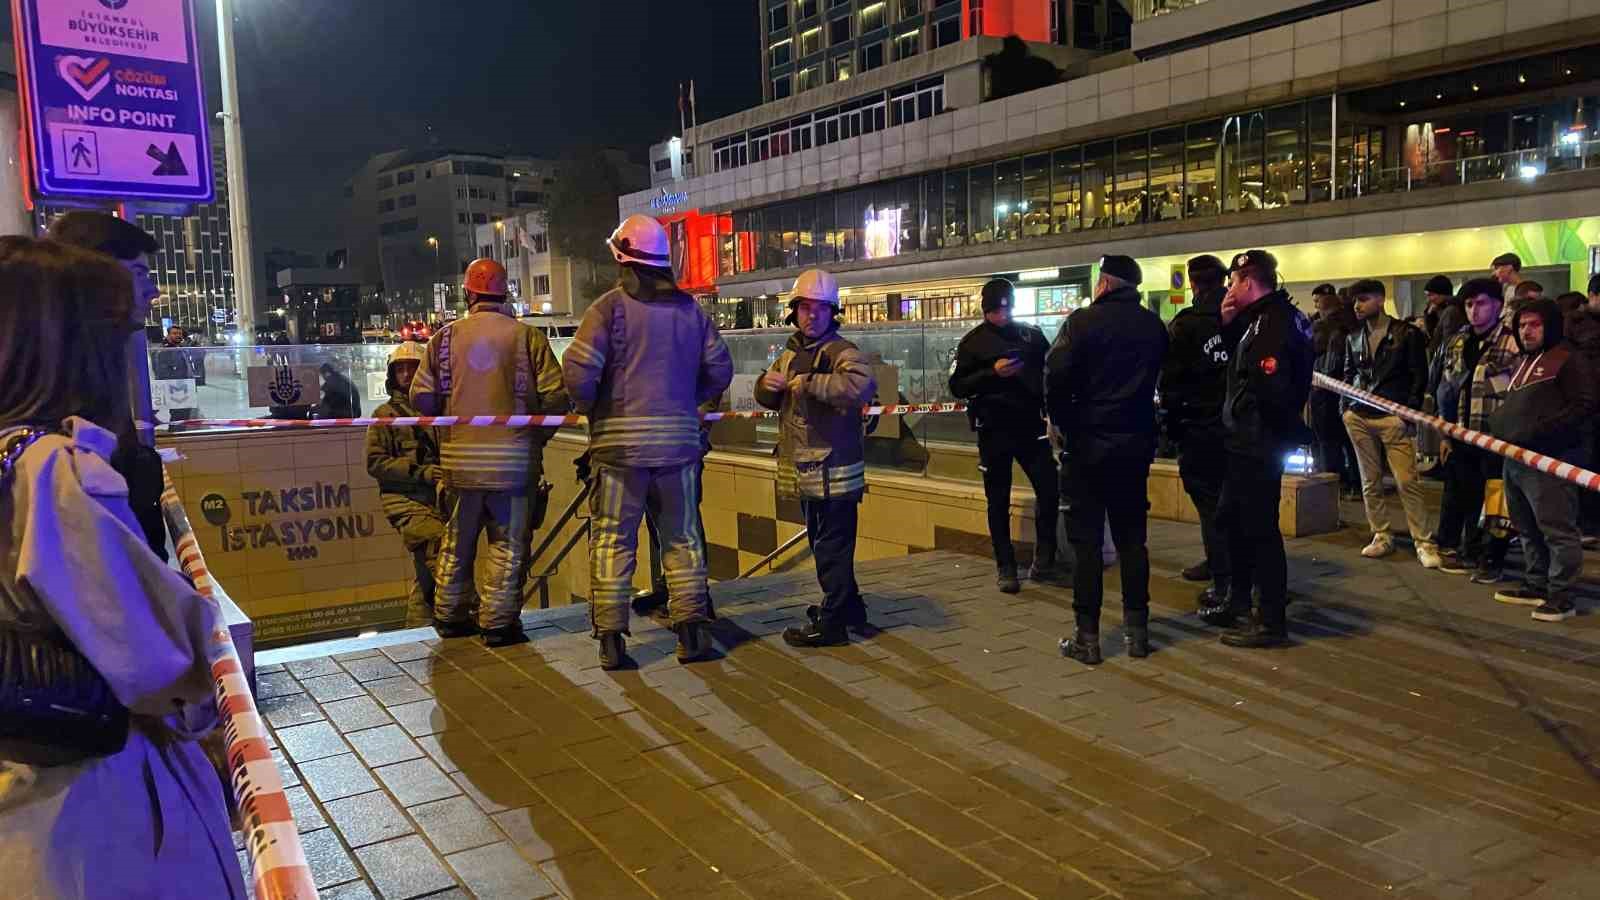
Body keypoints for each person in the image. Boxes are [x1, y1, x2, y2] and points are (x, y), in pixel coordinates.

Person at [0, 236, 244, 898]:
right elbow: (158, 659)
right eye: (118, 332)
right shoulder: (50, 468)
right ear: (72, 346)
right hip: (89, 812)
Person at [564, 215, 732, 669]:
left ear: (623, 259)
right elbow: (720, 370)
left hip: (620, 452)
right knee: (682, 537)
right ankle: (692, 632)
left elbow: (578, 374)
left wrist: (591, 407)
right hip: (679, 448)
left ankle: (613, 640)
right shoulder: (691, 312)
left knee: (613, 541)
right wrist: (686, 402)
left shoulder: (606, 309)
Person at [412, 257, 567, 647]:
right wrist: (534, 440)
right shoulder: (527, 337)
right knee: (508, 544)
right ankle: (497, 625)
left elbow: (422, 397)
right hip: (513, 466)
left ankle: (450, 617)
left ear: (468, 292)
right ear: (504, 292)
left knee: (457, 541)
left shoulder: (442, 339)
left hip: (459, 466)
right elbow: (555, 397)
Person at [1047, 255, 1168, 665]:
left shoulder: (1081, 323)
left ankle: (1088, 637)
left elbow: (1056, 377)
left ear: (1106, 282)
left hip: (1088, 447)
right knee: (1133, 540)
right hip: (1134, 445)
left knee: (1087, 546)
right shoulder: (1152, 325)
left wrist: (1063, 423)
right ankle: (1138, 633)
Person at [755, 269, 877, 648]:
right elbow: (769, 397)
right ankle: (849, 608)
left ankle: (834, 620)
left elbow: (860, 387)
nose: (811, 316)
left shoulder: (843, 352)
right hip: (811, 471)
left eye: (819, 309)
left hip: (833, 473)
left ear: (832, 312)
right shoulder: (791, 353)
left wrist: (809, 383)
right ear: (794, 312)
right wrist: (766, 386)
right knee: (829, 544)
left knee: (830, 547)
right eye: (805, 308)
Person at [1205, 250, 1314, 648]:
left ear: (1248, 280)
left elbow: (1271, 390)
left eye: (1233, 282)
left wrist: (1281, 435)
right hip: (1247, 440)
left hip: (1257, 442)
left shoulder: (1274, 323)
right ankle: (1238, 601)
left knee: (1259, 531)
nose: (1230, 290)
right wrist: (1229, 323)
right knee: (1231, 520)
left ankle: (1270, 620)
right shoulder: (1265, 320)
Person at [46, 211, 168, 562]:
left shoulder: (96, 366)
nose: (153, 292)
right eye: (140, 274)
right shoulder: (62, 383)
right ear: (96, 277)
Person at [1488, 298, 1598, 621]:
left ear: (1550, 325)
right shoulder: (1526, 361)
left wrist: (1541, 433)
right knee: (1525, 526)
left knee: (1556, 528)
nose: (1526, 331)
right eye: (1522, 325)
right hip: (1516, 458)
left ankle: (1562, 593)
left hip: (1550, 459)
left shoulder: (1568, 359)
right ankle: (1537, 583)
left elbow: (1585, 405)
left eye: (1534, 324)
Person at [948, 277, 1059, 594]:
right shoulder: (973, 342)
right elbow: (958, 386)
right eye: (996, 310)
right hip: (993, 429)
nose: (1003, 315)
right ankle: (1005, 566)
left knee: (1049, 490)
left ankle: (1045, 558)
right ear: (986, 310)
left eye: (1007, 308)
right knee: (997, 499)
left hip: (1030, 427)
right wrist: (991, 373)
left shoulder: (1031, 335)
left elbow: (1051, 370)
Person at [1340, 279, 1440, 567]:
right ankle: (1381, 534)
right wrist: (1345, 409)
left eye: (1364, 299)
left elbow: (1419, 376)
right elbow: (1349, 376)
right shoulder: (1354, 336)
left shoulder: (1405, 334)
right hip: (1358, 415)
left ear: (1380, 300)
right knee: (1369, 481)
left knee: (1407, 480)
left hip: (1392, 416)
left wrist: (1406, 413)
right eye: (1355, 300)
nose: (1357, 305)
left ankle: (1423, 540)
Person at [1431, 280, 1520, 581]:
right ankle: (1463, 548)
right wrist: (1445, 433)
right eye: (1469, 305)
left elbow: (1518, 392)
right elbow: (1446, 387)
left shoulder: (1512, 340)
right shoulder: (1457, 340)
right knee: (1461, 493)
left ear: (1497, 304)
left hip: (1496, 437)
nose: (1474, 311)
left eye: (1481, 303)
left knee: (1495, 499)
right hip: (1461, 432)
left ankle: (1491, 558)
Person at [1159, 255, 1231, 610]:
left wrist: (1172, 426)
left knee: (1210, 505)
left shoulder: (1186, 325)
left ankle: (1224, 579)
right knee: (1237, 502)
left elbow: (1170, 381)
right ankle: (1224, 565)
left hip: (1200, 428)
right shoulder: (1245, 319)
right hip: (1238, 428)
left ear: (1193, 283)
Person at [368, 342, 450, 627]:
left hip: (437, 501)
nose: (406, 374)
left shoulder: (440, 412)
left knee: (425, 577)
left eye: (412, 368)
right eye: (400, 369)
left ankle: (415, 630)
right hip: (404, 500)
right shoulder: (385, 415)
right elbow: (376, 463)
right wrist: (423, 473)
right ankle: (468, 613)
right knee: (440, 551)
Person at [1309, 284, 1360, 499]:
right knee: (1348, 441)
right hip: (1349, 389)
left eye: (1317, 300)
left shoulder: (1323, 326)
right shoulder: (1352, 322)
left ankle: (1332, 483)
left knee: (1327, 439)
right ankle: (1354, 483)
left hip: (1325, 388)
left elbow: (1316, 354)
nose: (1316, 305)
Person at [154, 325, 200, 423]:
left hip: (186, 387)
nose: (178, 335)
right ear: (168, 335)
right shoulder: (164, 350)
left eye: (179, 333)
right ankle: (176, 434)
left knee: (185, 416)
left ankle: (180, 433)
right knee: (179, 417)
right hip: (177, 388)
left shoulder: (181, 348)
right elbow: (163, 373)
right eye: (174, 333)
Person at [1422, 275, 1464, 358]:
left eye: (1431, 295)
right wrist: (1429, 315)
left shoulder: (1451, 311)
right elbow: (1431, 334)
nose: (1429, 299)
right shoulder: (1438, 310)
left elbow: (1448, 340)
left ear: (1442, 294)